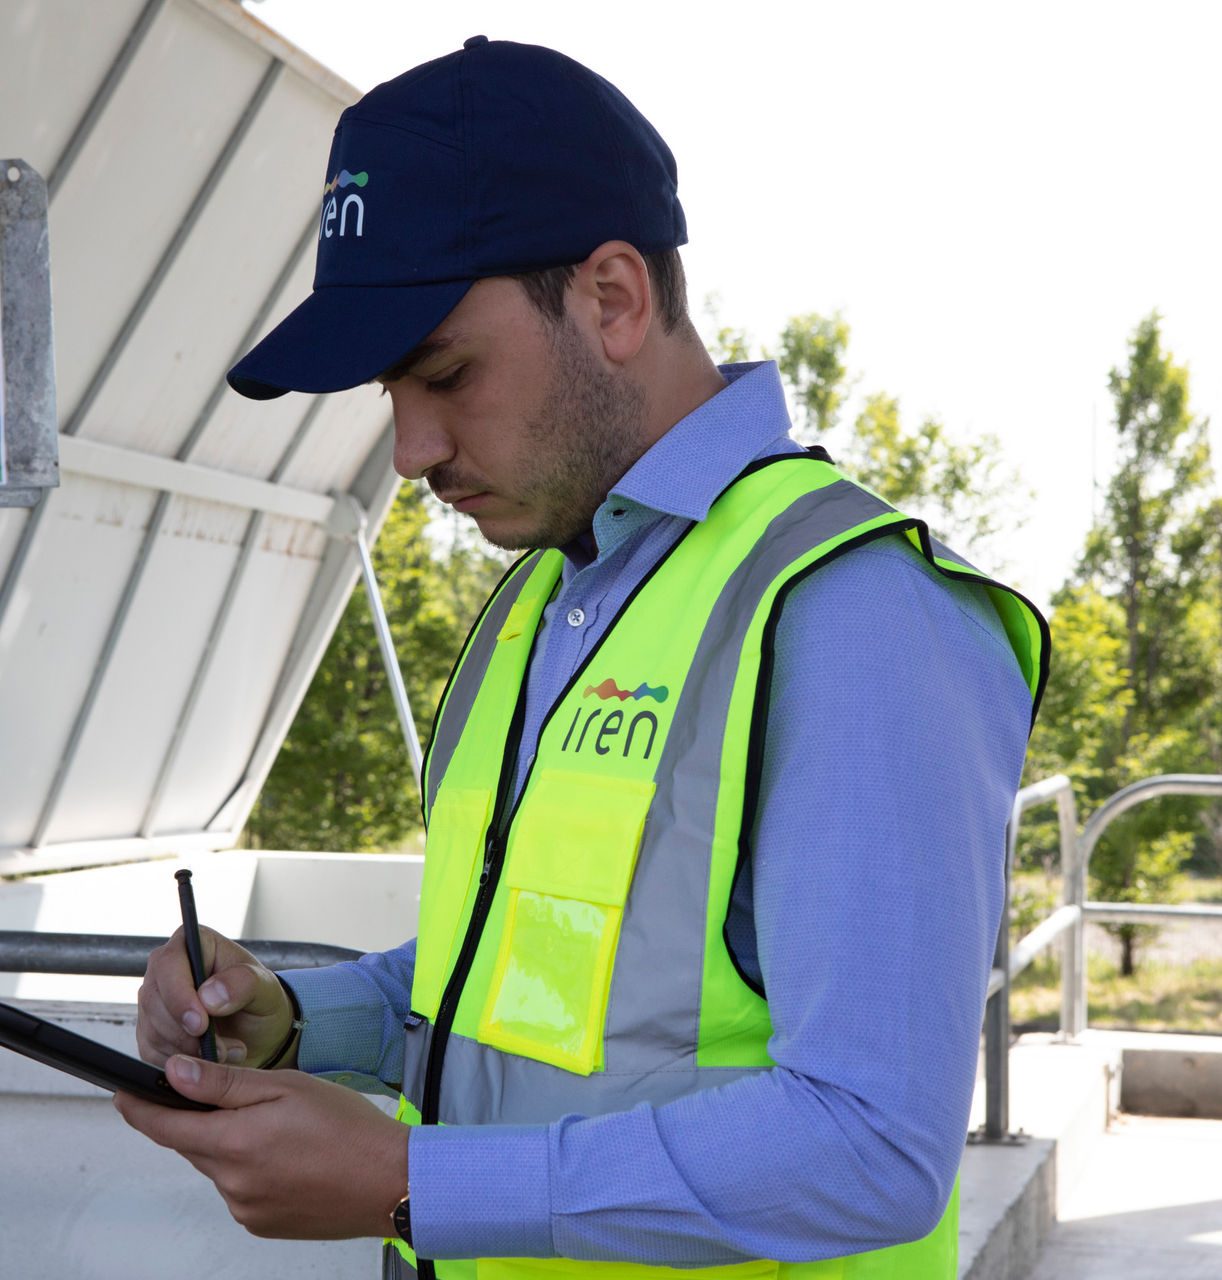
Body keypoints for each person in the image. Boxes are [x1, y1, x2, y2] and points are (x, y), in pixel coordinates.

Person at [117, 36, 1048, 1280]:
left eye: (445, 372)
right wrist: (294, 1018)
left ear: (612, 297)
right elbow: (523, 984)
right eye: (392, 391)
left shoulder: (853, 610)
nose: (409, 449)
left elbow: (872, 1142)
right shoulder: (543, 601)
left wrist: (412, 1181)